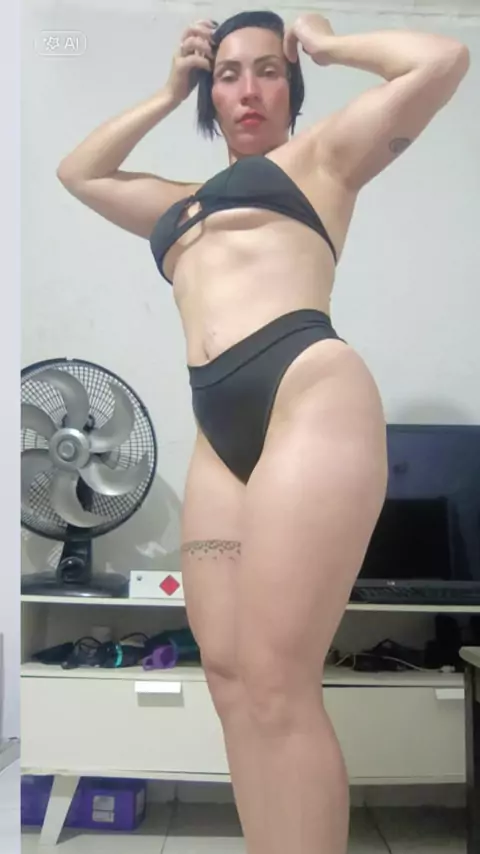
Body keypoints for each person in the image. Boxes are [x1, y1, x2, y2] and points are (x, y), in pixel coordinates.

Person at [56, 10, 470, 853]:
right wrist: (168, 90)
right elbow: (78, 171)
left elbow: (444, 59)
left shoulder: (322, 158)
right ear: (210, 93)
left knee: (280, 683)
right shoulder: (178, 204)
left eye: (269, 70)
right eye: (229, 73)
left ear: (293, 87)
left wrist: (328, 43)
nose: (249, 89)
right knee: (231, 680)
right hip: (220, 434)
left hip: (307, 394)